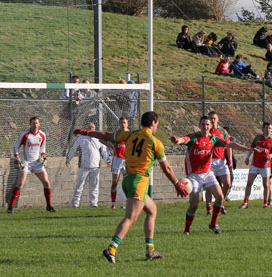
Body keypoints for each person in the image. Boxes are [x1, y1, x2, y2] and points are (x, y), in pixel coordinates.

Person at [74, 111, 189, 262]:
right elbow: (167, 168)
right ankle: (111, 249)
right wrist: (177, 184)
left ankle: (150, 250)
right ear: (154, 123)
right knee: (131, 217)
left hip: (128, 180)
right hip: (138, 182)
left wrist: (87, 132)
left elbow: (105, 135)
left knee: (152, 210)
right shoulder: (155, 142)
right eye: (157, 124)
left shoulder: (129, 135)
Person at [170, 115, 250, 235]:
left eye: (207, 124)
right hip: (193, 176)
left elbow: (230, 144)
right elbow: (183, 139)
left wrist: (248, 149)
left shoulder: (213, 139)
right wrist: (177, 141)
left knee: (220, 197)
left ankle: (213, 223)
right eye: (203, 124)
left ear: (211, 126)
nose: (205, 127)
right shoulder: (194, 138)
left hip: (208, 173)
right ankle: (187, 230)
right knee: (194, 204)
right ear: (199, 125)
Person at [7, 116, 55, 213]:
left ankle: (49, 206)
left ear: (39, 124)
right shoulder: (25, 135)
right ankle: (10, 207)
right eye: (33, 123)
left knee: (46, 182)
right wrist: (17, 157)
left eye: (37, 123)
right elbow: (16, 147)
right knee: (20, 183)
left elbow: (43, 148)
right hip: (26, 162)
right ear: (30, 124)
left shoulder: (42, 135)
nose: (35, 125)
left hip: (37, 162)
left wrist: (43, 156)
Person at [66, 122, 111, 207]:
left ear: (94, 129)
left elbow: (104, 151)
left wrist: (107, 160)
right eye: (89, 128)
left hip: (95, 166)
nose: (91, 129)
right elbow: (73, 148)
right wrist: (68, 158)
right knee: (79, 185)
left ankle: (94, 203)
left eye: (92, 128)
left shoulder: (99, 138)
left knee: (94, 186)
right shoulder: (81, 138)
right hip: (83, 166)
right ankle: (75, 203)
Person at [239, 121, 272, 209]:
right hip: (255, 165)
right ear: (263, 129)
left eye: (270, 128)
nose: (268, 130)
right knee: (249, 183)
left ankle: (265, 203)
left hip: (265, 166)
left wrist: (271, 155)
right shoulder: (258, 138)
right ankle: (245, 202)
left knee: (265, 185)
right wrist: (247, 157)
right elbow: (251, 148)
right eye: (266, 128)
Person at [204, 111, 233, 215]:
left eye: (214, 118)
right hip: (210, 161)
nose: (212, 120)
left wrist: (229, 160)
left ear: (218, 119)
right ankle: (208, 207)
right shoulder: (207, 131)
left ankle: (221, 204)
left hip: (221, 161)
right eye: (210, 118)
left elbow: (229, 146)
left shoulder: (223, 132)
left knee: (227, 184)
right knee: (209, 186)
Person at [110, 116, 128, 209]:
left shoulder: (130, 134)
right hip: (117, 160)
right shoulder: (116, 134)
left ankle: (125, 203)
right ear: (119, 124)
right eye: (121, 123)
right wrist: (111, 146)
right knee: (115, 182)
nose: (123, 124)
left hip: (127, 160)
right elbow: (103, 139)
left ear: (127, 124)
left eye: (124, 122)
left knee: (127, 182)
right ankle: (113, 204)